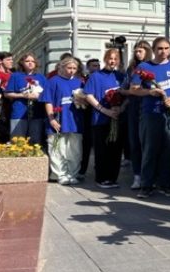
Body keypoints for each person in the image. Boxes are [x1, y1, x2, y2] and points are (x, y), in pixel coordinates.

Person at [129, 37, 170, 198]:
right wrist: (149, 92)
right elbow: (133, 89)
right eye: (160, 48)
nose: (163, 52)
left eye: (167, 48)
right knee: (150, 149)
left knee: (169, 149)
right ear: (153, 50)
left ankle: (165, 185)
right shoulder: (144, 67)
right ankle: (146, 185)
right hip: (151, 113)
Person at [84, 49, 125, 188]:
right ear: (105, 59)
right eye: (110, 58)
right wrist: (105, 110)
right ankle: (101, 178)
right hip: (100, 118)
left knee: (116, 149)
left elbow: (128, 95)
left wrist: (121, 108)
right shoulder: (96, 76)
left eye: (115, 59)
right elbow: (89, 95)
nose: (112, 61)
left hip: (117, 118)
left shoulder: (120, 76)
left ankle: (113, 178)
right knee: (102, 150)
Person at [43, 57, 84, 185]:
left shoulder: (79, 82)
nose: (71, 71)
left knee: (74, 149)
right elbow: (48, 101)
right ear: (62, 67)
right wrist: (51, 119)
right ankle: (59, 174)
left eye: (74, 68)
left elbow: (86, 100)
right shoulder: (53, 81)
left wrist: (81, 100)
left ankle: (72, 173)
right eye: (69, 68)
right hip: (58, 119)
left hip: (75, 121)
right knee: (56, 148)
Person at [122, 40, 153, 190]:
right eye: (136, 50)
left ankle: (150, 176)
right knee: (134, 142)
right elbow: (125, 88)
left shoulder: (152, 66)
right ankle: (137, 176)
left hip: (148, 106)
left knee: (148, 143)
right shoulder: (131, 69)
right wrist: (130, 91)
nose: (137, 53)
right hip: (133, 107)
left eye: (140, 50)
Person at [5, 53, 47, 145]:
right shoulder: (15, 76)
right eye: (27, 61)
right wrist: (23, 95)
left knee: (35, 142)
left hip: (37, 113)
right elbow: (7, 94)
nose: (30, 63)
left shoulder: (41, 78)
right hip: (19, 112)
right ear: (22, 63)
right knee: (17, 142)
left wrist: (38, 96)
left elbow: (47, 95)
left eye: (32, 61)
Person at [79, 58, 102, 178]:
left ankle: (98, 168)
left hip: (99, 116)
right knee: (86, 144)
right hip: (86, 116)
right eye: (93, 66)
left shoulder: (101, 78)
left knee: (98, 144)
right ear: (88, 68)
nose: (96, 68)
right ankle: (82, 170)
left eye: (98, 65)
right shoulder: (83, 80)